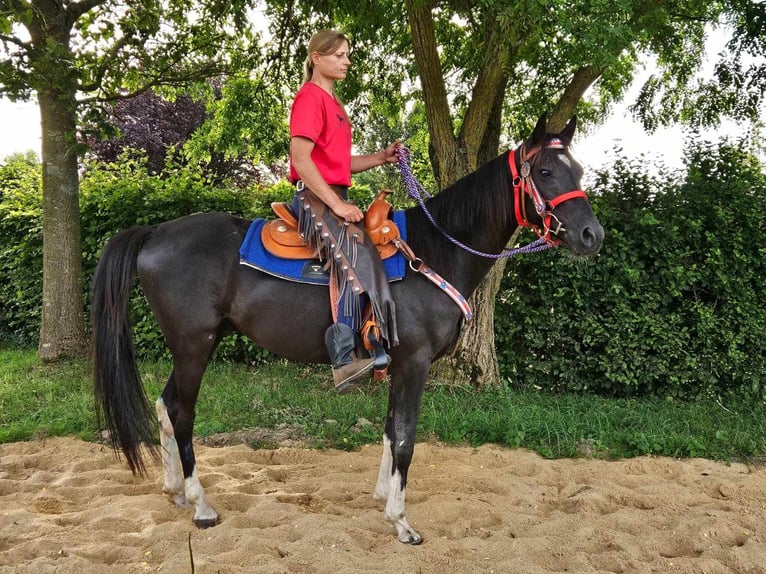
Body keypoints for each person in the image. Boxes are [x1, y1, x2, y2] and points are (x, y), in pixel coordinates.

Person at [289, 29, 399, 393]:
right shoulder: (310, 98)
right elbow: (302, 162)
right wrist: (336, 203)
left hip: (332, 193)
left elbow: (340, 163)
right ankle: (344, 360)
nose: (347, 61)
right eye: (339, 55)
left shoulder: (335, 106)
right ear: (316, 58)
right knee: (351, 258)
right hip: (314, 198)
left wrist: (381, 157)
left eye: (347, 54)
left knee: (367, 250)